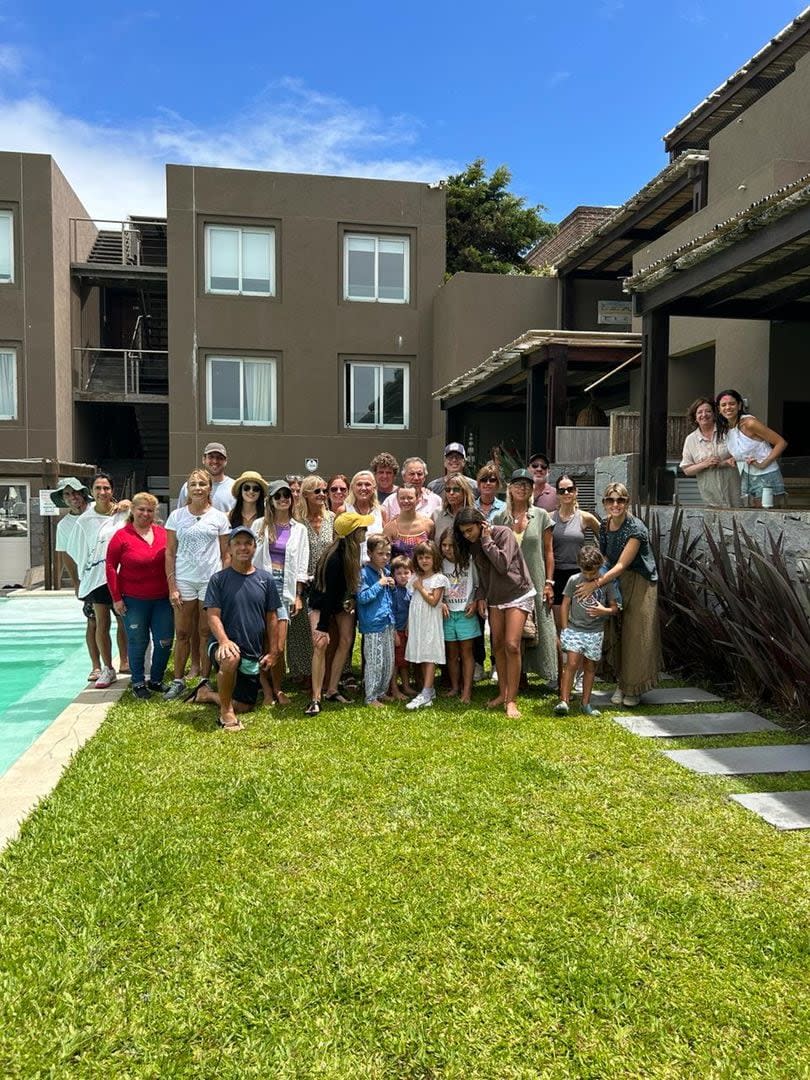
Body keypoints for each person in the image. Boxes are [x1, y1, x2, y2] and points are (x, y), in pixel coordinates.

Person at [576, 483, 660, 707]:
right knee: (616, 631)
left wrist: (596, 584)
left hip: (640, 582)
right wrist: (591, 578)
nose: (615, 505)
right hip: (614, 580)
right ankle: (621, 683)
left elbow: (623, 564)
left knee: (636, 636)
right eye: (610, 500)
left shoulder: (636, 528)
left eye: (620, 500)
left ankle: (633, 689)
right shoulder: (604, 526)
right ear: (604, 503)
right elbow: (604, 558)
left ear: (627, 502)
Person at [193, 527, 281, 732]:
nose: (243, 547)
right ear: (229, 548)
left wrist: (274, 651)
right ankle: (225, 711)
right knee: (230, 657)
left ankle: (207, 694)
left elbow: (272, 617)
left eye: (247, 543)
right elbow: (212, 615)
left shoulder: (266, 579)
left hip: (251, 651)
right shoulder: (219, 579)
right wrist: (223, 640)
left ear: (254, 548)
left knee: (245, 705)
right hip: (221, 644)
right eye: (238, 543)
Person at [454, 507, 535, 719]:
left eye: (470, 530)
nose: (467, 535)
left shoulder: (502, 533)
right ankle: (503, 693)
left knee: (512, 645)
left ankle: (512, 701)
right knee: (497, 644)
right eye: (463, 532)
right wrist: (481, 595)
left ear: (481, 524)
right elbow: (484, 574)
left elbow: (502, 565)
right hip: (495, 597)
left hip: (518, 593)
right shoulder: (473, 546)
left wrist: (487, 540)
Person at [163, 468, 231, 700]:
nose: (198, 488)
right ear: (188, 489)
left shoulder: (219, 517)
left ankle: (203, 678)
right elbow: (170, 553)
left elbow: (226, 553)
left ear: (209, 488)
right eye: (193, 484)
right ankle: (178, 679)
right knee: (182, 632)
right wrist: (172, 586)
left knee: (204, 632)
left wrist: (222, 582)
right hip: (184, 581)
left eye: (202, 484)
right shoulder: (176, 516)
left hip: (209, 582)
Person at [494, 469, 557, 687]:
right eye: (518, 484)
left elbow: (548, 551)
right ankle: (516, 678)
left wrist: (549, 582)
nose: (522, 488)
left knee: (541, 623)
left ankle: (548, 672)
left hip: (536, 577)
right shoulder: (499, 517)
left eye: (527, 485)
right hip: (507, 581)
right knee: (512, 631)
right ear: (509, 488)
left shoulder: (541, 516)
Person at [106, 492, 172, 699]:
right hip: (134, 600)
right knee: (137, 641)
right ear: (133, 510)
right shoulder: (121, 536)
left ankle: (156, 679)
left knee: (165, 641)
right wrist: (116, 598)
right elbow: (110, 566)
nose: (145, 513)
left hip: (162, 599)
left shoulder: (163, 533)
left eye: (150, 510)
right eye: (141, 509)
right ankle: (137, 682)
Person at [306, 512, 372, 716]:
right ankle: (315, 698)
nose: (366, 532)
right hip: (321, 603)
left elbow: (348, 587)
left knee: (346, 640)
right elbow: (327, 595)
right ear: (353, 533)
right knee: (321, 644)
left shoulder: (352, 552)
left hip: (339, 602)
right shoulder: (335, 558)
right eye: (362, 529)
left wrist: (351, 598)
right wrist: (323, 627)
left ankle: (333, 689)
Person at [252, 479, 309, 705]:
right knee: (262, 642)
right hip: (260, 587)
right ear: (271, 501)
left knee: (278, 645)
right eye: (278, 496)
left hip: (284, 589)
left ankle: (278, 689)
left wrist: (297, 594)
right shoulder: (259, 526)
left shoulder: (299, 529)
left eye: (287, 495)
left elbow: (302, 564)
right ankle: (266, 690)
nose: (283, 499)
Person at [74, 473, 129, 689]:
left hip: (121, 577)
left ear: (112, 491)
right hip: (97, 579)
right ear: (92, 492)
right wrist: (83, 578)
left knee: (124, 621)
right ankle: (107, 668)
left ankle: (126, 660)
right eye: (98, 488)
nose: (102, 492)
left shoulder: (123, 515)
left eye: (106, 488)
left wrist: (128, 503)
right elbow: (79, 552)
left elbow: (143, 511)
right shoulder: (84, 521)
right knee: (101, 623)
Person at [550, 475, 603, 688]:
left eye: (569, 489)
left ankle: (580, 676)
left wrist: (601, 566)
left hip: (581, 576)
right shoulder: (548, 517)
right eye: (561, 490)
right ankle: (560, 675)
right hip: (556, 576)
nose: (566, 494)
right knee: (559, 627)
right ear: (557, 493)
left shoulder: (585, 518)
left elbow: (605, 538)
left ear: (576, 491)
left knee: (580, 624)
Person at [554, 544, 618, 717]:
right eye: (586, 572)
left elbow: (615, 608)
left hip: (595, 632)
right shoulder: (574, 580)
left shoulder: (606, 582)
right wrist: (565, 628)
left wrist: (603, 611)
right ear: (579, 567)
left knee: (590, 667)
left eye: (593, 573)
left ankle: (586, 703)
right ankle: (564, 701)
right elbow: (565, 603)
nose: (589, 576)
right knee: (572, 664)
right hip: (575, 629)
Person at [285, 475, 334, 686]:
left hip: (325, 582)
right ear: (305, 494)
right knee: (299, 627)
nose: (323, 495)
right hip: (301, 580)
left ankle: (321, 671)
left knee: (322, 628)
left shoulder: (332, 518)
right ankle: (300, 670)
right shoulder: (295, 520)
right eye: (317, 491)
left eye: (324, 490)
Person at [52, 477, 101, 681]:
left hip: (108, 575)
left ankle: (124, 660)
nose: (73, 497)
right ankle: (96, 666)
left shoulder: (97, 511)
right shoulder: (64, 526)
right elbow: (66, 556)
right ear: (63, 498)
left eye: (76, 492)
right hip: (87, 578)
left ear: (83, 493)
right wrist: (76, 583)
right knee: (93, 622)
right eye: (67, 494)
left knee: (121, 620)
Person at [716, 388, 788, 508]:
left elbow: (781, 442)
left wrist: (764, 463)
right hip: (747, 476)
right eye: (723, 405)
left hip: (766, 476)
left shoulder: (749, 423)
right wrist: (734, 459)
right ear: (719, 409)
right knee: (752, 518)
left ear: (739, 406)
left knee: (767, 519)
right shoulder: (728, 428)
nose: (728, 407)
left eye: (732, 403)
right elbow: (745, 449)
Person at [404, 541, 449, 711]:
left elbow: (433, 601)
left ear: (434, 558)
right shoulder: (415, 578)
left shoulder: (438, 579)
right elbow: (412, 603)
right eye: (421, 557)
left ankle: (427, 690)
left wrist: (420, 588)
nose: (424, 561)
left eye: (427, 557)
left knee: (429, 654)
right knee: (422, 653)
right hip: (417, 622)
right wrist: (409, 624)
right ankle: (428, 689)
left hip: (430, 622)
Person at [439, 529, 479, 703]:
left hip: (465, 612)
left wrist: (476, 601)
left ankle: (467, 691)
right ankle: (455, 687)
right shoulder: (439, 564)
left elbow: (479, 584)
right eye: (444, 545)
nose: (447, 549)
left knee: (467, 652)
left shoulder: (470, 562)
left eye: (451, 545)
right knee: (451, 653)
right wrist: (440, 602)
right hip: (447, 614)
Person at [356, 535, 396, 707]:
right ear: (370, 553)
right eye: (380, 554)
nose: (385, 558)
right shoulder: (363, 573)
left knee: (388, 660)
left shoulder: (386, 572)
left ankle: (381, 691)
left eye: (388, 554)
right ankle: (370, 696)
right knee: (375, 661)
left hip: (387, 621)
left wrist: (392, 587)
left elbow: (388, 600)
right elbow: (362, 598)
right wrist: (379, 584)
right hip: (372, 623)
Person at [679, 398, 740, 508]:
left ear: (714, 414)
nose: (704, 415)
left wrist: (726, 462)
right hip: (710, 498)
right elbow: (687, 470)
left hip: (736, 493)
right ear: (695, 417)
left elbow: (743, 454)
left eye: (708, 411)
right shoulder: (691, 439)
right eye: (699, 412)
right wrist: (704, 464)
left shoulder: (728, 432)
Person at [176, 442, 236, 512]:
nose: (215, 461)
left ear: (225, 461)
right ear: (203, 459)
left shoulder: (235, 487)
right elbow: (180, 516)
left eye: (219, 458)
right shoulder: (190, 486)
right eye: (211, 457)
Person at [383, 485, 435, 560]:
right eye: (402, 498)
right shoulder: (390, 528)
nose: (406, 501)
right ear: (397, 500)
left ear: (417, 499)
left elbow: (433, 552)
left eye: (410, 498)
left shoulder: (428, 524)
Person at [389, 555, 414, 699]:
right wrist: (394, 633)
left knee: (404, 660)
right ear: (393, 575)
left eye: (406, 573)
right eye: (399, 573)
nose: (403, 576)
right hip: (395, 631)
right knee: (395, 662)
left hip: (406, 630)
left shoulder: (410, 591)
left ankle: (406, 685)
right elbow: (390, 612)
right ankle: (394, 688)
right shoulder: (393, 592)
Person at [346, 470, 384, 561]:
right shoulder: (344, 510)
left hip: (375, 567)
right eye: (359, 484)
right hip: (350, 567)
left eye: (367, 484)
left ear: (374, 488)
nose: (363, 488)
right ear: (352, 488)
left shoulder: (381, 511)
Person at [432, 474, 475, 543]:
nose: (451, 493)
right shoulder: (437, 514)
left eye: (456, 489)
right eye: (448, 490)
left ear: (465, 492)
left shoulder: (474, 514)